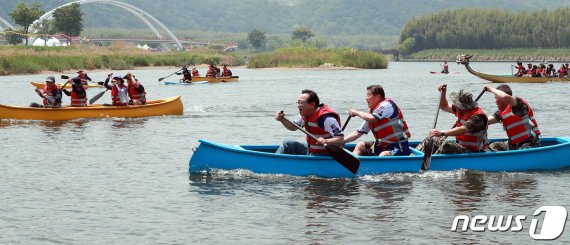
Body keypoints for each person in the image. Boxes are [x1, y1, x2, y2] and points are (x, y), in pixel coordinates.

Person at [416, 85, 488, 154]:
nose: (455, 105)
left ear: (461, 106)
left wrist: (442, 133)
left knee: (435, 141)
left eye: (456, 104)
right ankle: (416, 156)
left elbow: (462, 129)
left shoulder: (477, 117)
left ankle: (421, 160)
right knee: (430, 140)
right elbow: (444, 106)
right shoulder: (461, 111)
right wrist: (443, 93)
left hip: (472, 152)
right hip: (463, 148)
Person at [344, 85, 411, 156]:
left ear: (378, 97)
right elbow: (358, 133)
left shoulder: (387, 105)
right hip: (381, 146)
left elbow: (372, 118)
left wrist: (356, 112)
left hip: (398, 147)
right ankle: (353, 165)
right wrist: (341, 141)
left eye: (369, 95)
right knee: (360, 145)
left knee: (383, 155)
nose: (366, 99)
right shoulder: (372, 113)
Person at [274, 89, 344, 155]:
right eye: (298, 102)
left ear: (312, 104)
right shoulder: (304, 115)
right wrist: (281, 119)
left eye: (301, 102)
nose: (298, 105)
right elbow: (293, 127)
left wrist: (326, 141)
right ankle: (273, 162)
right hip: (311, 151)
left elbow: (340, 139)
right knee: (286, 144)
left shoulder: (326, 119)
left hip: (326, 154)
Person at [483, 84, 540, 151]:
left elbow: (505, 96)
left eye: (496, 98)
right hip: (513, 145)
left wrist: (490, 89)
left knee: (521, 150)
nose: (495, 101)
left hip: (530, 143)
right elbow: (485, 121)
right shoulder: (501, 112)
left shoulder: (519, 105)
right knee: (493, 146)